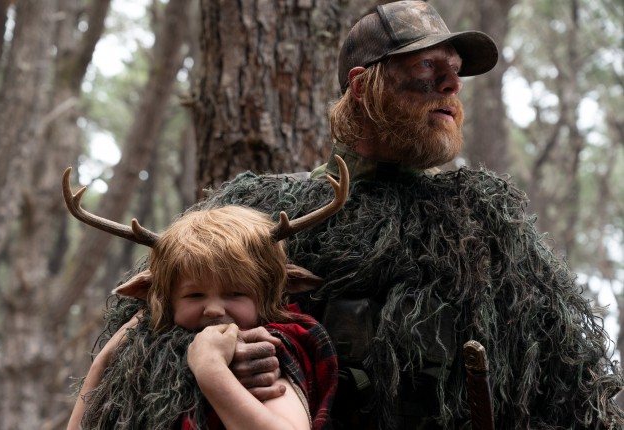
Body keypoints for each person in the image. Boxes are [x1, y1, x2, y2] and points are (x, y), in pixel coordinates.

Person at [90, 1, 624, 429]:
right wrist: (221, 352)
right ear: (363, 85)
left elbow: (568, 386)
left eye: (455, 72)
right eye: (427, 67)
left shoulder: (486, 226)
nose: (451, 86)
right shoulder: (257, 213)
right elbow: (143, 341)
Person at [64, 160, 349, 429]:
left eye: (235, 293)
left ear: (272, 292)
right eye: (194, 295)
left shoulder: (264, 349)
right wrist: (105, 360)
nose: (213, 309)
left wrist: (210, 370)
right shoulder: (147, 356)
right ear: (157, 296)